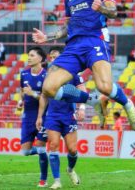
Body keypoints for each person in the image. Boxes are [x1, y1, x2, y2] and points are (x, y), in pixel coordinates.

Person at [32, 0, 135, 131]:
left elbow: (114, 12)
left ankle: (127, 103)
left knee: (104, 87)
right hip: (73, 47)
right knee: (48, 88)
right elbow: (68, 27)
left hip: (95, 41)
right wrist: (47, 37)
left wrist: (102, 9)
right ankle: (93, 101)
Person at [36, 48, 86, 188]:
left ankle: (70, 169)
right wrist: (40, 116)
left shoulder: (73, 73)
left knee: (72, 150)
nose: (53, 59)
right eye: (51, 57)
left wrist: (81, 108)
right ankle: (57, 181)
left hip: (69, 116)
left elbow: (83, 90)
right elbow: (44, 96)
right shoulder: (48, 75)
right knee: (53, 146)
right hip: (52, 116)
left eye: (56, 57)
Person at [17, 47, 49, 187]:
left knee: (41, 147)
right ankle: (44, 151)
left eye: (32, 55)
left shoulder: (46, 76)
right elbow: (22, 91)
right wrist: (20, 100)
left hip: (43, 116)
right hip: (27, 116)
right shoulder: (24, 73)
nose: (28, 58)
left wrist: (33, 94)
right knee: (25, 151)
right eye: (28, 55)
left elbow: (46, 98)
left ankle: (43, 179)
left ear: (40, 59)